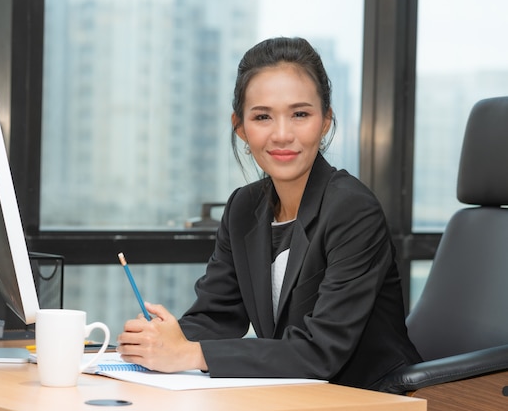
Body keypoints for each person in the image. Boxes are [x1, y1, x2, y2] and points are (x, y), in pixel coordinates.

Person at [116, 36, 422, 391]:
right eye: (262, 117)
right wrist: (159, 339)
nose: (281, 134)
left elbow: (321, 352)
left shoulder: (352, 209)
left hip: (371, 396)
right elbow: (217, 317)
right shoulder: (243, 207)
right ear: (241, 127)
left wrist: (188, 354)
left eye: (300, 114)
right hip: (294, 394)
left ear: (325, 121)